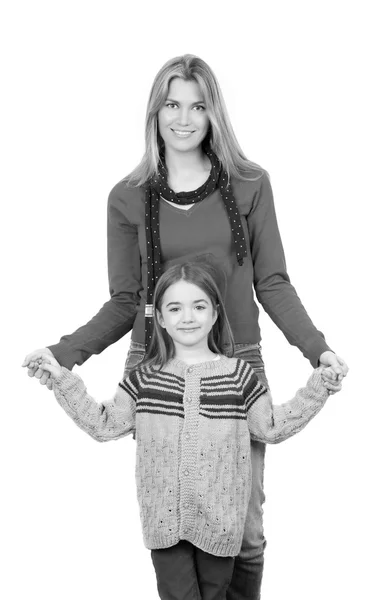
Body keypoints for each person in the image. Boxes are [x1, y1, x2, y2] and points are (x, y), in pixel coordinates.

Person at [23, 54, 348, 599]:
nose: (184, 118)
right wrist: (66, 353)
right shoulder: (128, 196)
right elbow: (126, 300)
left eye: (197, 105)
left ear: (213, 114)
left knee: (242, 527)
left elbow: (272, 282)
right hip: (157, 362)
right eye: (172, 104)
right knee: (174, 512)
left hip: (237, 360)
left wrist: (318, 352)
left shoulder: (249, 184)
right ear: (155, 112)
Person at [25, 263, 337, 600]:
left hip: (221, 524)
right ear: (159, 317)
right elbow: (105, 424)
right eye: (175, 308)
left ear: (216, 313)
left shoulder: (239, 376)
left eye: (199, 306)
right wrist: (62, 380)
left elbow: (271, 427)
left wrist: (319, 385)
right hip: (164, 524)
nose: (187, 317)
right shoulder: (145, 378)